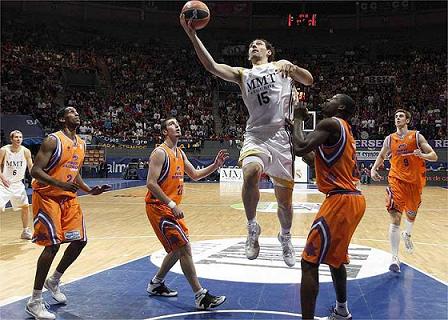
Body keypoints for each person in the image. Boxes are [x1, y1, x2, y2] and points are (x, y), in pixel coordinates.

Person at [180, 15, 314, 267]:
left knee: (284, 202)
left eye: (259, 44)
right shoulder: (242, 74)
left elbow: (309, 80)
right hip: (256, 135)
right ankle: (252, 228)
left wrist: (293, 67)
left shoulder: (281, 68)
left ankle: (285, 237)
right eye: (251, 45)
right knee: (250, 172)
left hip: (281, 138)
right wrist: (193, 35)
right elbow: (211, 66)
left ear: (269, 51)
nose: (254, 47)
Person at [26, 107, 110, 320]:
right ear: (62, 118)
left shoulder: (81, 143)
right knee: (52, 245)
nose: (77, 114)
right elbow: (35, 171)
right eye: (71, 112)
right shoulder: (52, 140)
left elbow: (74, 174)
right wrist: (59, 183)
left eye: (77, 112)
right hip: (47, 196)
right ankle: (35, 301)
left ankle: (54, 280)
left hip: (67, 198)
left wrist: (90, 190)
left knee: (80, 240)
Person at [291, 94, 366, 319]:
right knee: (336, 259)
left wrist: (297, 120)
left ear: (340, 107)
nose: (325, 100)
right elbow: (313, 158)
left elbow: (301, 147)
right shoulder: (345, 130)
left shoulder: (330, 123)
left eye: (332, 99)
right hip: (353, 199)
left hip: (340, 200)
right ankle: (342, 311)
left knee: (308, 262)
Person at [145, 118, 228, 310]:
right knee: (183, 247)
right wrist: (172, 203)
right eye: (173, 124)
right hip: (159, 207)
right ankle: (200, 295)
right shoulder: (159, 152)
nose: (178, 125)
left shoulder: (179, 152)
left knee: (177, 249)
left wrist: (215, 165)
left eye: (178, 123)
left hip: (169, 209)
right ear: (165, 131)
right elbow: (151, 183)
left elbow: (195, 175)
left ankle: (156, 283)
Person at [371, 109, 437, 272]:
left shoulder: (416, 136)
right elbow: (381, 156)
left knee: (411, 214)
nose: (397, 118)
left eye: (401, 116)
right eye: (395, 116)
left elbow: (434, 155)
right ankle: (394, 257)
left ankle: (407, 235)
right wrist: (373, 169)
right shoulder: (389, 139)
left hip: (415, 183)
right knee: (395, 217)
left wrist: (422, 154)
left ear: (407, 120)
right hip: (396, 180)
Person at [0, 130, 34, 240]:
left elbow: (30, 166)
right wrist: (3, 178)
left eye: (20, 137)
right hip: (3, 184)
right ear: (11, 139)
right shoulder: (4, 150)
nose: (19, 139)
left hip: (18, 184)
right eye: (16, 137)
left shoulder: (26, 151)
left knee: (25, 207)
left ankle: (25, 231)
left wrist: (34, 178)